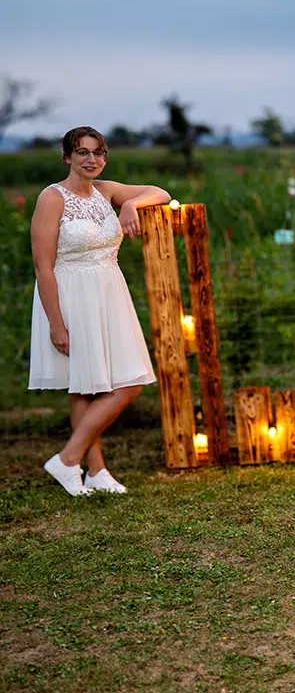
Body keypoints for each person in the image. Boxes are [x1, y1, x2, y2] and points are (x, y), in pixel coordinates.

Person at [29, 126, 171, 495]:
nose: (91, 159)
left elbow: (161, 193)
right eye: (82, 152)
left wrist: (130, 204)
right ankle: (83, 466)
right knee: (83, 389)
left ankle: (78, 466)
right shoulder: (52, 198)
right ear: (67, 157)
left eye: (98, 153)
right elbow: (43, 267)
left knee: (129, 382)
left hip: (110, 293)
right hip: (71, 295)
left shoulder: (106, 191)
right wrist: (56, 324)